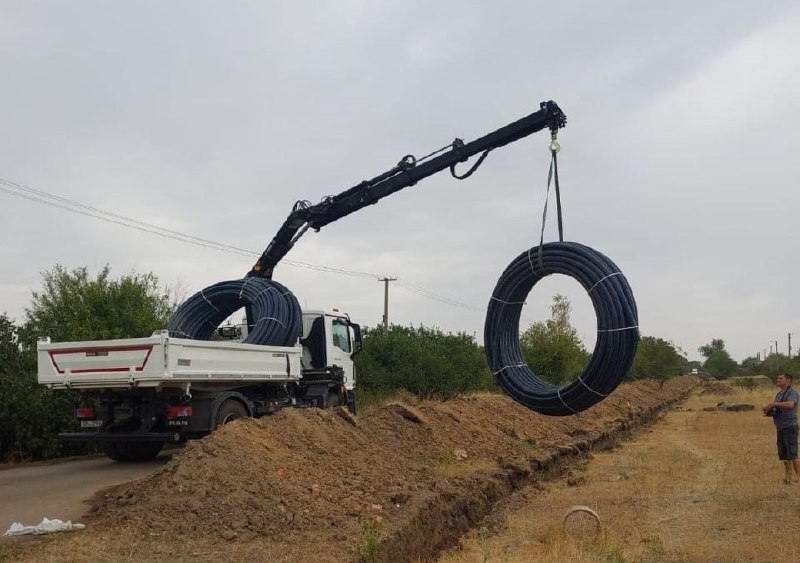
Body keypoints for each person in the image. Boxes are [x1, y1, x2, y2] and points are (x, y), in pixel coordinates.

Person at [762, 373, 800, 483]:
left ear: (788, 380)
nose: (778, 380)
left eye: (780, 378)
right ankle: (788, 478)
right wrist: (768, 411)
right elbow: (778, 410)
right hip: (780, 427)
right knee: (784, 455)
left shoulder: (792, 392)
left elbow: (790, 405)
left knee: (793, 454)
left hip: (790, 427)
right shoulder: (779, 394)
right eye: (777, 378)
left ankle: (799, 478)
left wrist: (773, 404)